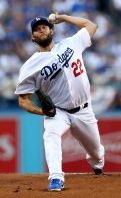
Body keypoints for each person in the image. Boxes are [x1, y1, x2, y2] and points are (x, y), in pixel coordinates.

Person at [14, 13, 105, 191]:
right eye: (37, 30)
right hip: (59, 111)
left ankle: (97, 164)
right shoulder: (29, 66)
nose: (41, 30)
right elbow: (23, 101)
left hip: (84, 110)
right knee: (50, 134)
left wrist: (63, 17)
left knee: (97, 153)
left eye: (44, 27)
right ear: (33, 37)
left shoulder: (71, 43)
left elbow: (91, 25)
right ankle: (56, 177)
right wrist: (43, 112)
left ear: (51, 30)